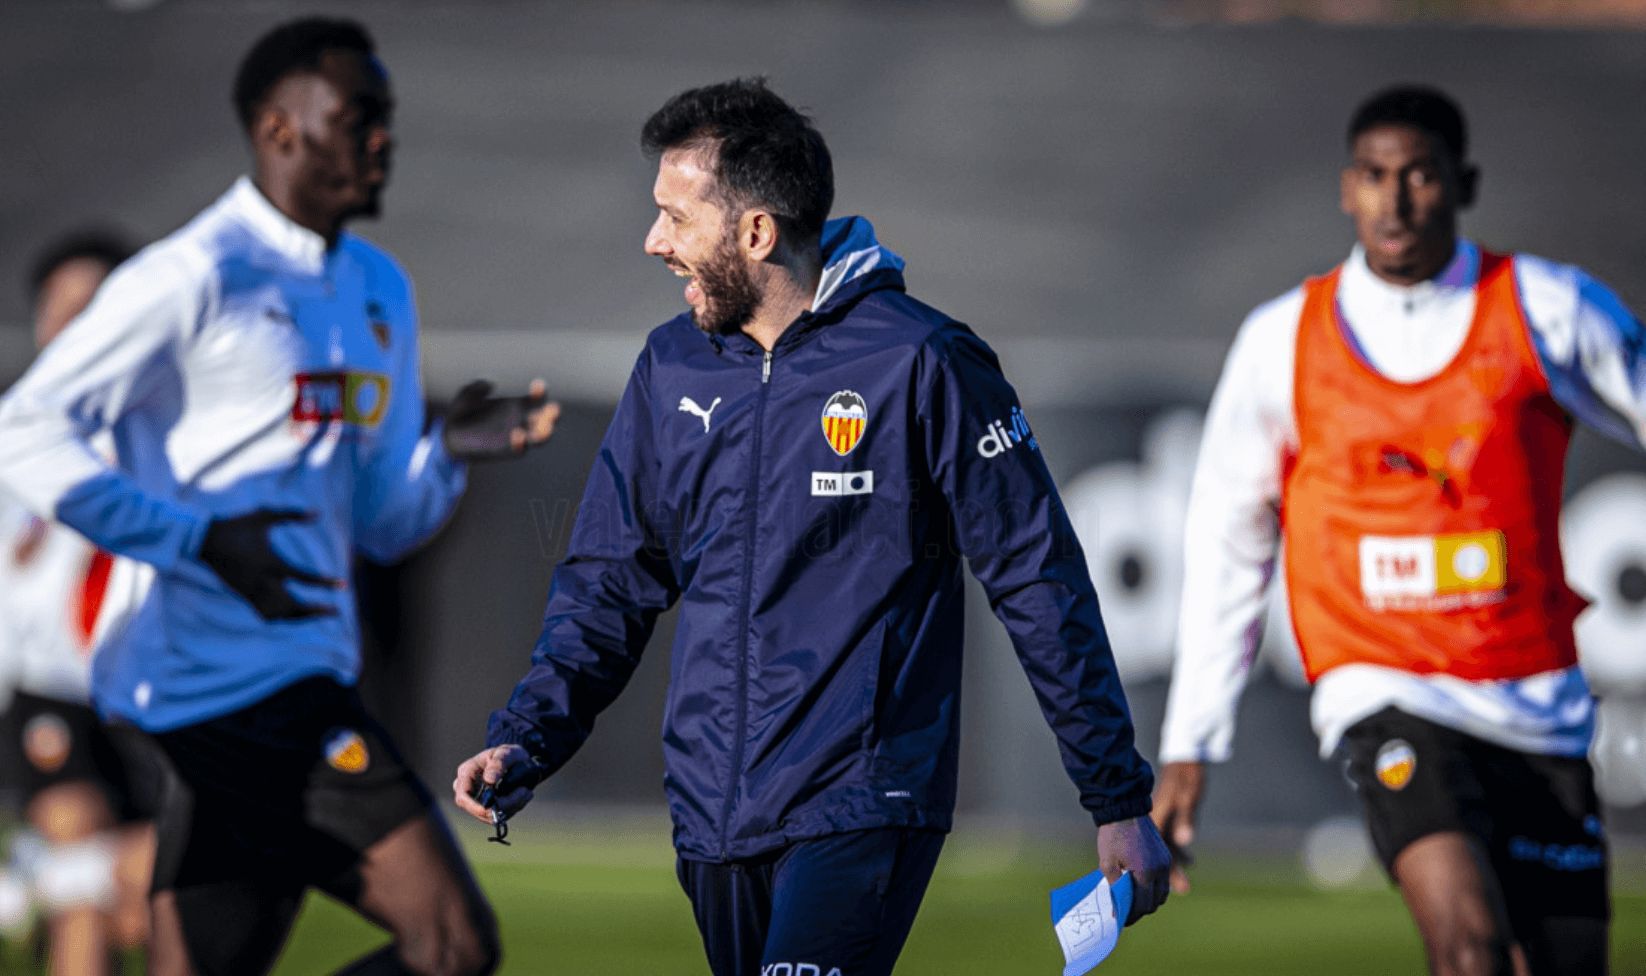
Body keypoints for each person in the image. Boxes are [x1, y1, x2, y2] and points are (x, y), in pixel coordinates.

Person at [452, 77, 1170, 976]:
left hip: (862, 797)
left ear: (754, 233)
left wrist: (1114, 796)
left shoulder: (922, 359)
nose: (653, 241)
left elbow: (1037, 577)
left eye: (676, 217)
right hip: (711, 814)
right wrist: (530, 733)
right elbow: (611, 580)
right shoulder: (669, 364)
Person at [0, 18, 558, 976]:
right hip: (212, 693)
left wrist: (447, 454)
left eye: (386, 117)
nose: (382, 137)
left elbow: (383, 524)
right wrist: (195, 541)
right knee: (452, 945)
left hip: (301, 679)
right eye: (358, 116)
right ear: (280, 129)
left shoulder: (379, 289)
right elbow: (23, 429)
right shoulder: (192, 275)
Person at [1154, 86, 1636, 976]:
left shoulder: (1549, 310)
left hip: (1534, 701)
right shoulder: (1282, 340)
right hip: (1383, 688)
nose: (1397, 199)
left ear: (1465, 184)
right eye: (1375, 177)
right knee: (1468, 948)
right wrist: (1191, 741)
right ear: (1347, 190)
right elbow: (1230, 538)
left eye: (1420, 175)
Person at [0, 231, 157, 975]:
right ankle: (52, 869)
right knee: (82, 883)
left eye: (96, 309)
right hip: (46, 694)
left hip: (149, 699)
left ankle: (41, 869)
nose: (77, 326)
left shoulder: (167, 434)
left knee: (147, 908)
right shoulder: (16, 434)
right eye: (64, 309)